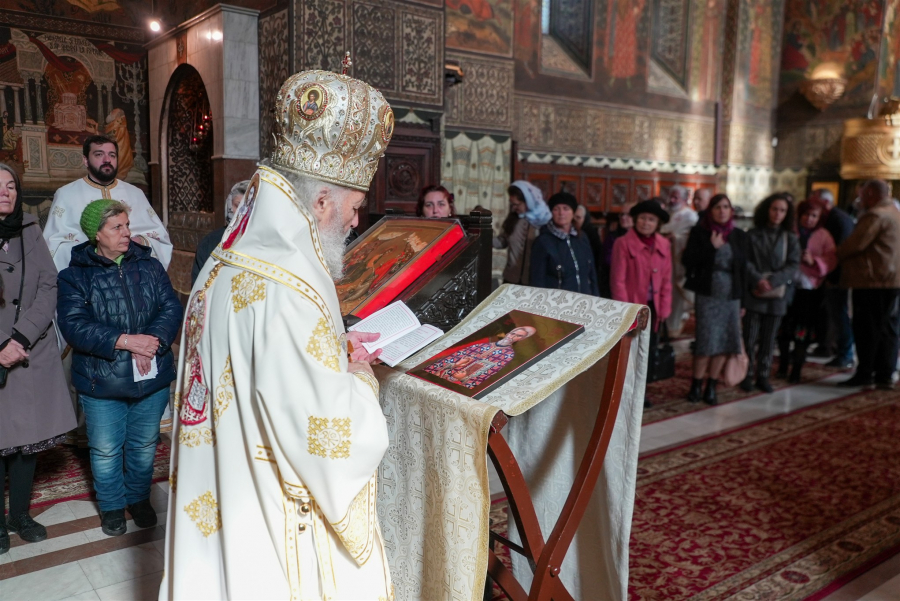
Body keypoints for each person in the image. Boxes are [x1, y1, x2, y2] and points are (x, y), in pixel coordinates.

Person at [160, 69, 396, 600]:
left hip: (222, 481)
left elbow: (260, 362)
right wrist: (360, 377)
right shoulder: (290, 288)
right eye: (355, 207)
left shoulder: (228, 261)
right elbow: (326, 437)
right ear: (321, 202)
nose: (355, 222)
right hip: (267, 509)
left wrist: (332, 349)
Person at [56, 199, 183, 537]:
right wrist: (127, 341)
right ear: (96, 234)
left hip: (151, 375)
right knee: (106, 449)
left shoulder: (149, 266)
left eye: (127, 225)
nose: (127, 232)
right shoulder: (74, 276)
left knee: (144, 444)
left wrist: (152, 341)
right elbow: (74, 326)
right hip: (103, 379)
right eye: (117, 227)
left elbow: (171, 307)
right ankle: (112, 506)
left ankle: (139, 498)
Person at [0, 163, 76, 555]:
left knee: (25, 442)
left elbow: (49, 283)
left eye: (11, 186)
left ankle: (19, 516)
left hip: (29, 348)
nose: (5, 192)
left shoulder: (30, 227)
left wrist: (20, 336)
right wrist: (1, 345)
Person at [44, 135, 172, 273]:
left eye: (112, 155)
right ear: (86, 160)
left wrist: (139, 241)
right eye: (99, 154)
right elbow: (52, 246)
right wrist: (96, 249)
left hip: (133, 274)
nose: (107, 160)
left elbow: (161, 240)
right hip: (88, 276)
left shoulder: (135, 194)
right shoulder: (66, 194)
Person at [683, 194, 750, 405]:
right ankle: (696, 384)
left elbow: (743, 270)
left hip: (731, 297)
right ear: (710, 211)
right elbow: (688, 261)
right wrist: (711, 248)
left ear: (731, 211)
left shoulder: (739, 235)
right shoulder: (700, 232)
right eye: (718, 207)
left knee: (724, 342)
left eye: (726, 207)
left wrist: (743, 301)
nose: (722, 211)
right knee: (706, 341)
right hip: (707, 294)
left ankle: (711, 385)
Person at [835, 180, 900, 389]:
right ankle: (885, 373)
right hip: (892, 280)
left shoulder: (875, 216)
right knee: (888, 328)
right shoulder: (895, 212)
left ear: (870, 194)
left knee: (867, 329)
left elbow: (855, 244)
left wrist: (836, 253)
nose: (859, 200)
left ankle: (865, 372)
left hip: (872, 280)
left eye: (861, 195)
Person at [610, 201, 672, 402]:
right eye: (643, 218)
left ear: (657, 224)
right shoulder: (622, 243)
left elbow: (667, 279)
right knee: (630, 352)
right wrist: (627, 311)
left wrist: (665, 307)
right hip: (632, 307)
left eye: (651, 220)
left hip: (653, 307)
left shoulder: (664, 244)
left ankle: (641, 392)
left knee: (648, 350)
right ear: (636, 220)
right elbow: (618, 281)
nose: (646, 223)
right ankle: (626, 394)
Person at [740, 194, 800, 393]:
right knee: (750, 337)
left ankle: (763, 375)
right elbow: (745, 261)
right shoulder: (752, 235)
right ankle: (746, 374)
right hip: (754, 291)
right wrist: (758, 279)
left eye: (782, 210)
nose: (777, 214)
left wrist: (773, 281)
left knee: (769, 339)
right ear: (767, 210)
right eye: (774, 209)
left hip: (777, 293)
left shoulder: (790, 238)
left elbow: (793, 265)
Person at [776, 196, 836, 382]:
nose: (809, 219)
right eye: (806, 214)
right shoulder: (789, 231)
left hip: (809, 289)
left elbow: (831, 259)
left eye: (814, 216)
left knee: (802, 332)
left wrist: (814, 262)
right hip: (786, 286)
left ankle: (797, 369)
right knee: (783, 329)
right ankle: (783, 364)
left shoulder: (824, 235)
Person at [530, 192, 600, 295]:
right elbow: (537, 280)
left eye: (566, 209)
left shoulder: (582, 238)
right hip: (557, 301)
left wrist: (596, 298)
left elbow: (592, 274)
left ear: (573, 212)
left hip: (584, 300)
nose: (561, 213)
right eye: (556, 209)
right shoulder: (543, 242)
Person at [816, 188, 856, 368]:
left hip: (838, 275)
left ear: (825, 202)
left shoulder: (838, 219)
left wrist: (832, 275)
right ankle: (832, 348)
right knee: (834, 314)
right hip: (832, 274)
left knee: (840, 315)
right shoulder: (833, 217)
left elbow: (839, 251)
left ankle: (845, 354)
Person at [423, 326, 536, 388]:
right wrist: (455, 365)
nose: (512, 336)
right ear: (508, 333)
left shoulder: (508, 355)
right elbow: (452, 357)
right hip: (439, 374)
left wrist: (462, 378)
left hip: (456, 384)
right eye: (512, 333)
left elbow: (486, 374)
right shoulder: (481, 345)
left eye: (518, 336)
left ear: (521, 339)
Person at [191, 180, 250, 286]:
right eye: (237, 206)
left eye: (249, 207)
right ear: (229, 205)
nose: (242, 212)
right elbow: (198, 285)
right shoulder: (211, 242)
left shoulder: (267, 244)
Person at [493, 180, 550, 285]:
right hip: (511, 279)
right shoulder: (514, 219)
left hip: (533, 280)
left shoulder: (544, 221)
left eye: (517, 204)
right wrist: (484, 237)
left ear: (528, 201)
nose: (513, 208)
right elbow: (502, 241)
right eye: (512, 204)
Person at [661, 185, 698, 336]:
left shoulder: (690, 216)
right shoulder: (667, 213)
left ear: (684, 199)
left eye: (675, 197)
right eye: (671, 196)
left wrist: (675, 238)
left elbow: (692, 237)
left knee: (676, 296)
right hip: (663, 260)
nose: (672, 200)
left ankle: (674, 327)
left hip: (677, 262)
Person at [600, 203, 635, 298]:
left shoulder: (641, 238)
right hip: (615, 285)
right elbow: (607, 260)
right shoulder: (613, 237)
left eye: (628, 214)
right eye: (622, 214)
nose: (623, 217)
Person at [574, 204, 602, 284]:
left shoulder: (591, 234)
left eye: (578, 218)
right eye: (573, 217)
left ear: (585, 219)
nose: (575, 220)